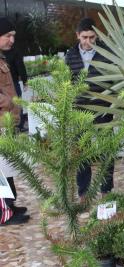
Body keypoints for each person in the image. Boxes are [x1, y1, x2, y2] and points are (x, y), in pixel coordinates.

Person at [65, 18, 114, 201]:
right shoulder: (70, 55)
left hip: (102, 108)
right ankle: (84, 192)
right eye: (84, 37)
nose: (88, 41)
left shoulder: (106, 54)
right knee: (81, 151)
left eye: (92, 37)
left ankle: (106, 190)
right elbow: (67, 81)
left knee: (106, 150)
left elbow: (114, 80)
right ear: (77, 35)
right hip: (79, 109)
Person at [0, 17, 30, 225]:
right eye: (7, 35)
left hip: (7, 122)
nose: (12, 40)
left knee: (7, 167)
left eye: (13, 36)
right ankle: (3, 214)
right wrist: (9, 102)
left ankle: (10, 206)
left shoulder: (2, 57)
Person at [5, 47, 28, 131]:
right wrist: (25, 81)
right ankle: (19, 126)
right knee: (17, 104)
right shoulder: (14, 52)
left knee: (5, 105)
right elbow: (20, 66)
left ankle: (8, 127)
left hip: (4, 84)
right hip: (13, 83)